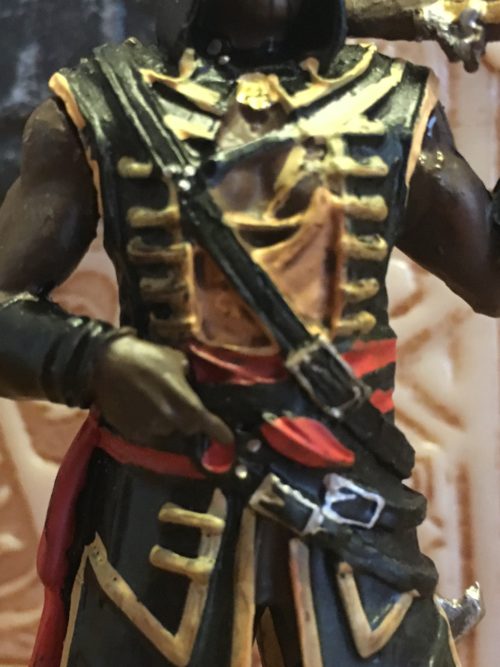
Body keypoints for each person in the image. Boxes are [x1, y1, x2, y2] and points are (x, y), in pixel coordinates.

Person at [0, 1, 498, 665]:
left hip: (354, 536)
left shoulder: (394, 107)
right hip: (157, 536)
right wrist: (94, 359)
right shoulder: (100, 105)